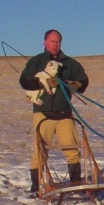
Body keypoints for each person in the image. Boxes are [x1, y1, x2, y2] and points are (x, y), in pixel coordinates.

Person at [19, 29, 89, 196]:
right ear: (44, 42)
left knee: (72, 149)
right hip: (42, 114)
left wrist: (70, 83)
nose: (55, 45)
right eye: (52, 41)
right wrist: (41, 82)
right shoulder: (36, 62)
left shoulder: (70, 64)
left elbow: (83, 82)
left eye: (58, 42)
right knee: (39, 150)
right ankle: (36, 187)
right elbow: (24, 81)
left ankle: (75, 182)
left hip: (64, 113)